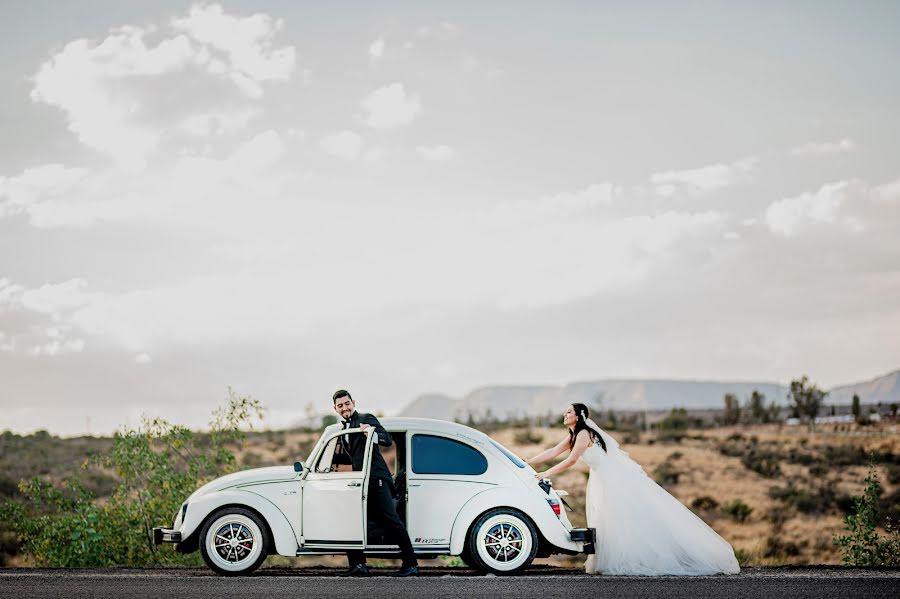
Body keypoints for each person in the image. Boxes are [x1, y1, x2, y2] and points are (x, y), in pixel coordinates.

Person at [527, 403, 740, 576]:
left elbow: (571, 460)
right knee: (606, 517)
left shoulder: (584, 434)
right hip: (600, 477)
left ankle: (636, 557)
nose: (565, 414)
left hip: (611, 478)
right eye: (565, 412)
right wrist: (527, 462)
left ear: (579, 416)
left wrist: (546, 474)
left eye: (569, 412)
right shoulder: (573, 434)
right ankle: (613, 557)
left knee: (622, 516)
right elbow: (554, 451)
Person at [330, 389, 418, 577]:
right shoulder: (344, 428)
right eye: (340, 406)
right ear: (335, 408)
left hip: (377, 478)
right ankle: (359, 565)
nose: (344, 408)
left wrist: (370, 433)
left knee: (391, 520)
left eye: (347, 404)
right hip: (362, 480)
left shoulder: (366, 418)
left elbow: (386, 439)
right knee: (353, 520)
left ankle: (411, 565)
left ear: (353, 402)